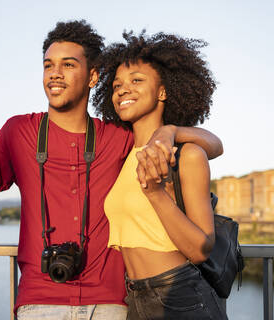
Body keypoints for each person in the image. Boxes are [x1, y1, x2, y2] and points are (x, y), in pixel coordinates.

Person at [0, 21, 223, 320]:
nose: (55, 73)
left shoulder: (118, 136)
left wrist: (171, 131)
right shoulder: (17, 132)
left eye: (68, 64)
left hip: (112, 302)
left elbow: (211, 144)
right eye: (48, 65)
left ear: (93, 76)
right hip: (40, 299)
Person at [94, 31, 227, 319]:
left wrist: (155, 193)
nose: (122, 90)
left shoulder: (187, 155)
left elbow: (201, 248)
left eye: (136, 81)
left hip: (180, 296)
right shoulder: (125, 155)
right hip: (134, 298)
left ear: (163, 92)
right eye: (117, 85)